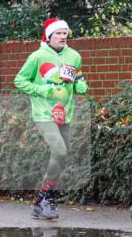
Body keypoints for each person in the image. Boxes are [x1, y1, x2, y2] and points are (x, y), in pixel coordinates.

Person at [14, 18, 88, 220]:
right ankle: (47, 199)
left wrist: (81, 85)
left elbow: (78, 78)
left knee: (61, 157)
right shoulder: (37, 57)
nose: (63, 36)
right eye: (59, 33)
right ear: (49, 36)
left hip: (65, 113)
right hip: (43, 113)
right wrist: (41, 89)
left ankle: (42, 200)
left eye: (65, 33)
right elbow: (19, 80)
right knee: (60, 150)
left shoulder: (74, 56)